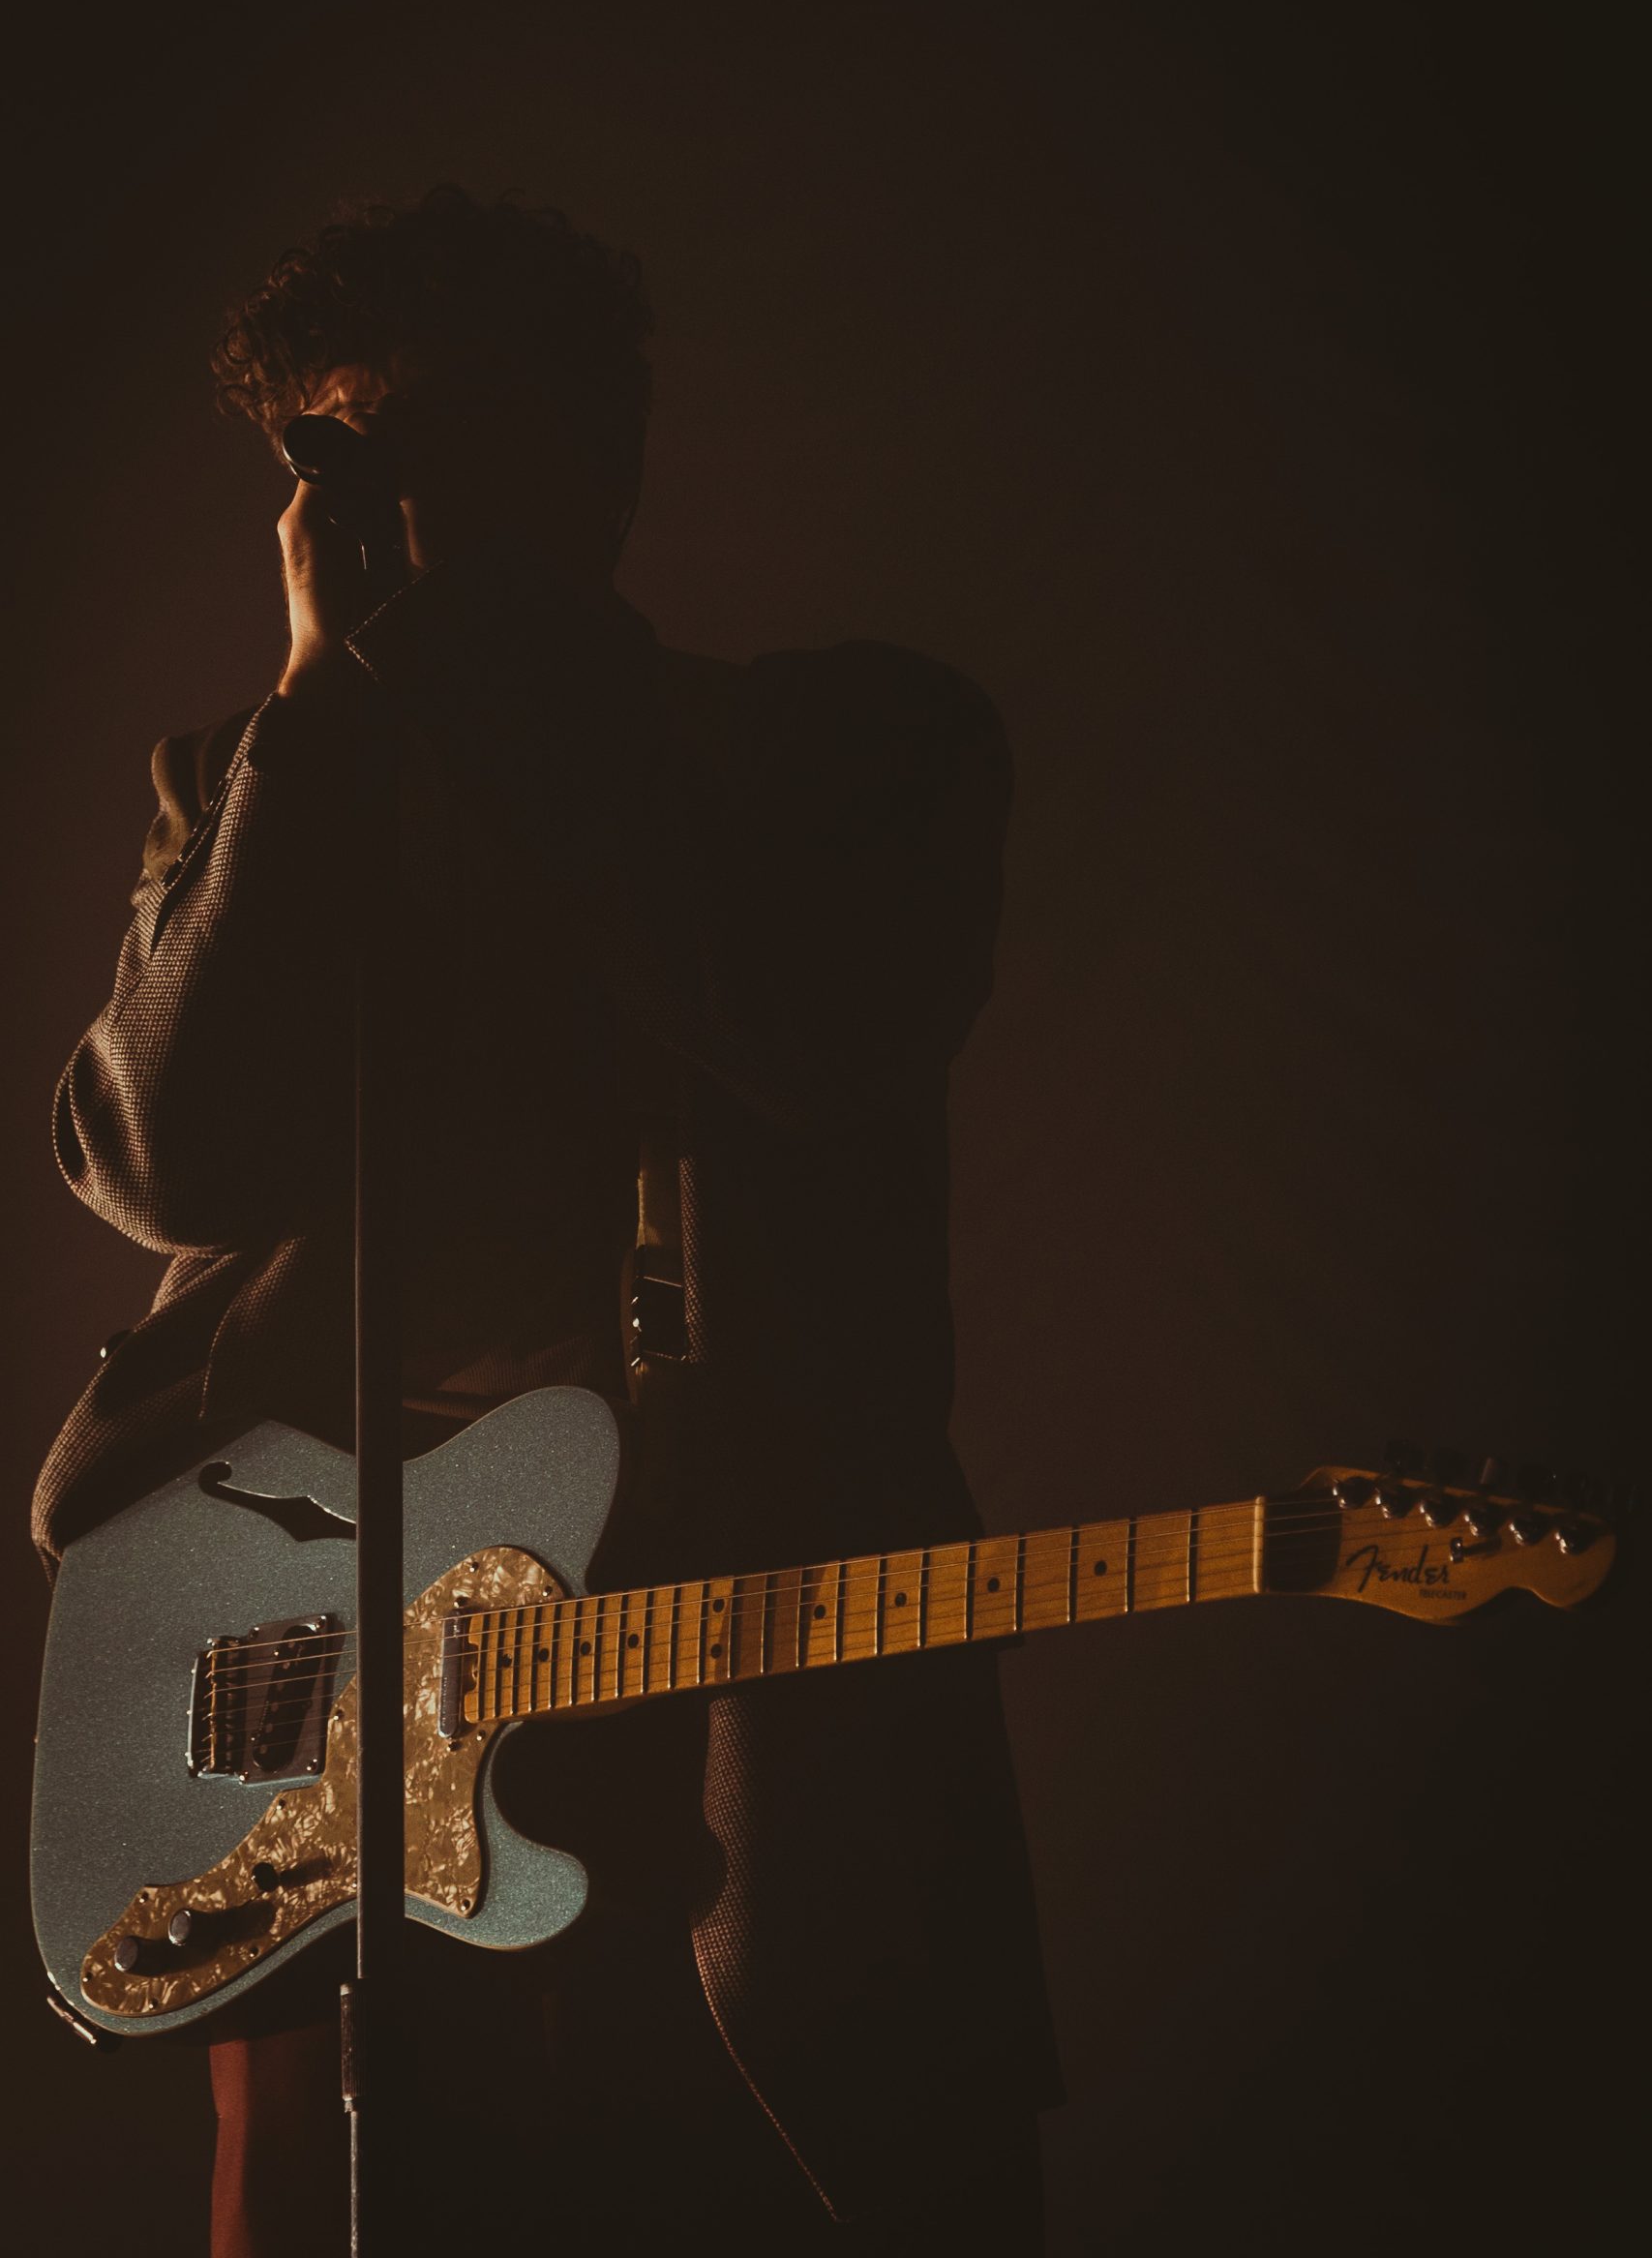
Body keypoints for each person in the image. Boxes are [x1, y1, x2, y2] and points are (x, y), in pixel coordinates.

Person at [35, 187, 1061, 2250]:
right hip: (354, 1722)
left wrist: (513, 658)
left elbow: (807, 1032)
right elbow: (160, 1160)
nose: (384, 502)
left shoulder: (853, 743)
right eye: (340, 457)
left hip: (745, 1677)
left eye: (440, 437)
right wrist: (320, 704)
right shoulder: (253, 780)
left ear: (598, 456)